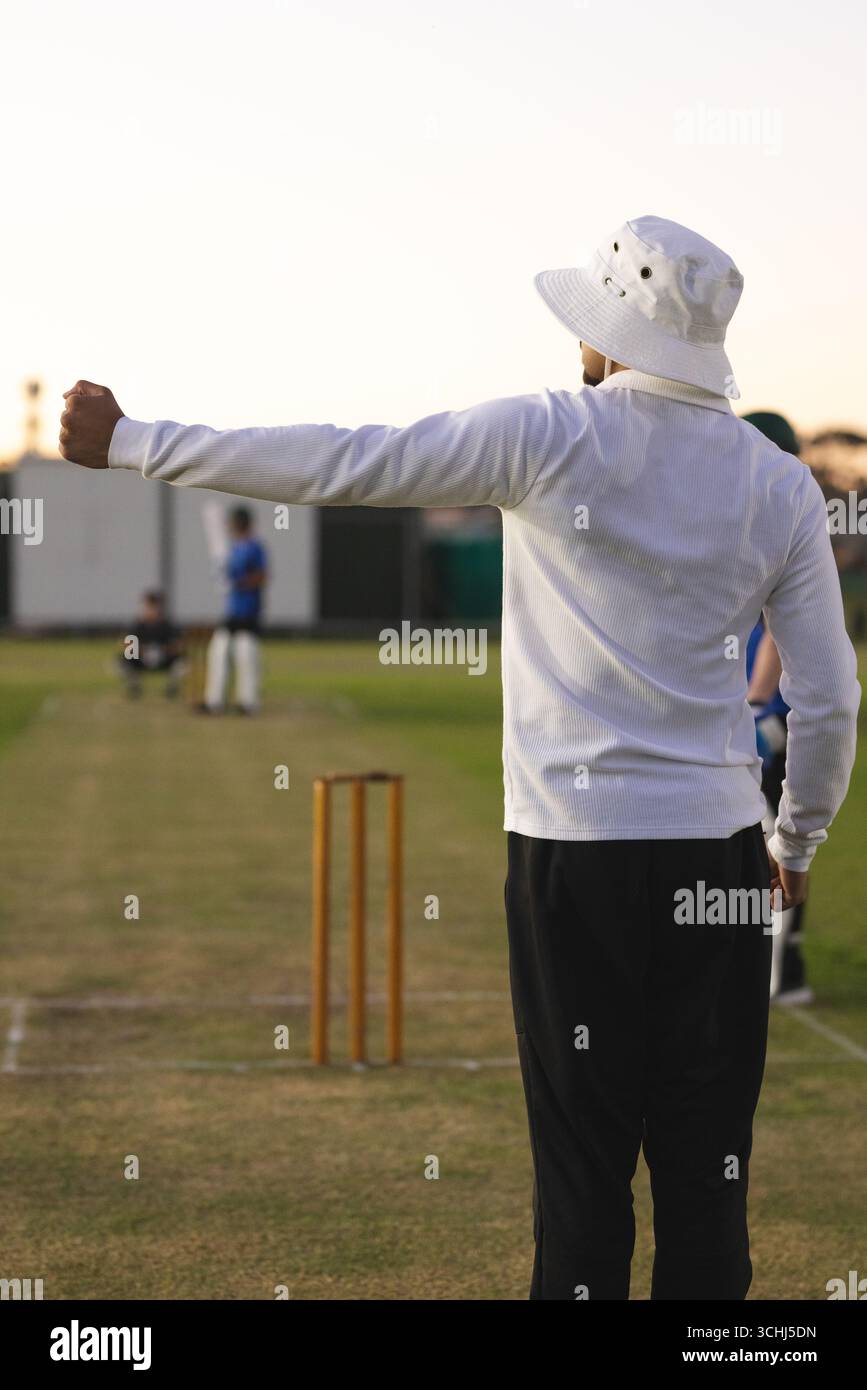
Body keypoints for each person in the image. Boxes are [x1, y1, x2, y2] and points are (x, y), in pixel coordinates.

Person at [58, 215, 859, 1300]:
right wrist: (795, 841)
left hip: (574, 864)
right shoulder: (779, 485)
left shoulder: (548, 433)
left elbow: (347, 459)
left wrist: (136, 440)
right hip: (719, 859)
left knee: (583, 1180)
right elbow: (829, 696)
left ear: (612, 338)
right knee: (708, 1177)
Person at [741, 411, 813, 1005]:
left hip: (768, 720)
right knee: (780, 840)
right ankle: (787, 969)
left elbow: (772, 630)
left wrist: (757, 702)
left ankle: (776, 971)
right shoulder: (791, 504)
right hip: (775, 718)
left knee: (769, 843)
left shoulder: (771, 507)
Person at [202, 505, 268, 715]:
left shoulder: (254, 547)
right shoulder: (233, 549)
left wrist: (237, 583)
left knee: (246, 654)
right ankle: (215, 701)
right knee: (219, 651)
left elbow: (261, 577)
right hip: (232, 611)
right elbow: (225, 575)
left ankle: (248, 703)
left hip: (249, 611)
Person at [118, 589, 184, 699]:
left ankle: (171, 687)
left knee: (183, 662)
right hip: (141, 659)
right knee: (122, 661)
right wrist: (142, 650)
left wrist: (163, 650)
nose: (152, 610)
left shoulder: (167, 625)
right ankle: (134, 685)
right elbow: (126, 644)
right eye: (149, 606)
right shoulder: (137, 625)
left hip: (164, 659)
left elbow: (179, 644)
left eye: (154, 606)